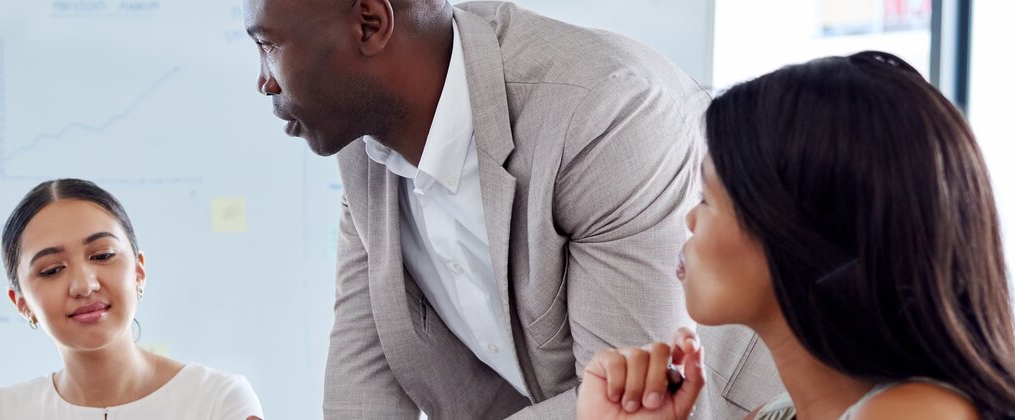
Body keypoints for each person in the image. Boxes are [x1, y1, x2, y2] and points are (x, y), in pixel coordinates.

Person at [242, 0, 779, 417]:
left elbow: (628, 401)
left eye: (268, 45)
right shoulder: (365, 148)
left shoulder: (603, 113)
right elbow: (362, 387)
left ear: (369, 23)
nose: (263, 81)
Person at [575, 51, 1015, 420]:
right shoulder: (775, 413)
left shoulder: (917, 412)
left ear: (796, 227)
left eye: (708, 198)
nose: (690, 222)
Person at [0, 178, 264, 420]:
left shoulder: (220, 400)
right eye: (52, 270)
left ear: (138, 270)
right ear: (21, 303)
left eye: (103, 255)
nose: (84, 285)